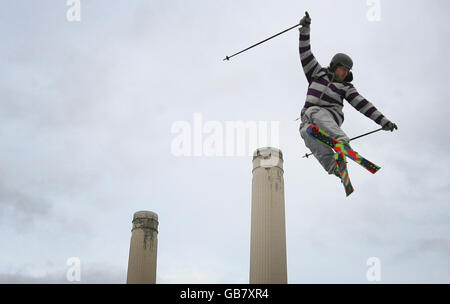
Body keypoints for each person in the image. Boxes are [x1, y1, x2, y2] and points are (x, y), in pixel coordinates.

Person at [297, 12, 398, 178]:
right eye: (342, 69)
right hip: (308, 119)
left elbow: (363, 104)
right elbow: (305, 53)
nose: (344, 73)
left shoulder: (346, 87)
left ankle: (340, 141)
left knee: (317, 112)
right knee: (306, 133)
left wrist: (383, 120)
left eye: (347, 71)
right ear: (334, 66)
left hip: (329, 115)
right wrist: (305, 29)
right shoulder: (316, 73)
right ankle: (334, 167)